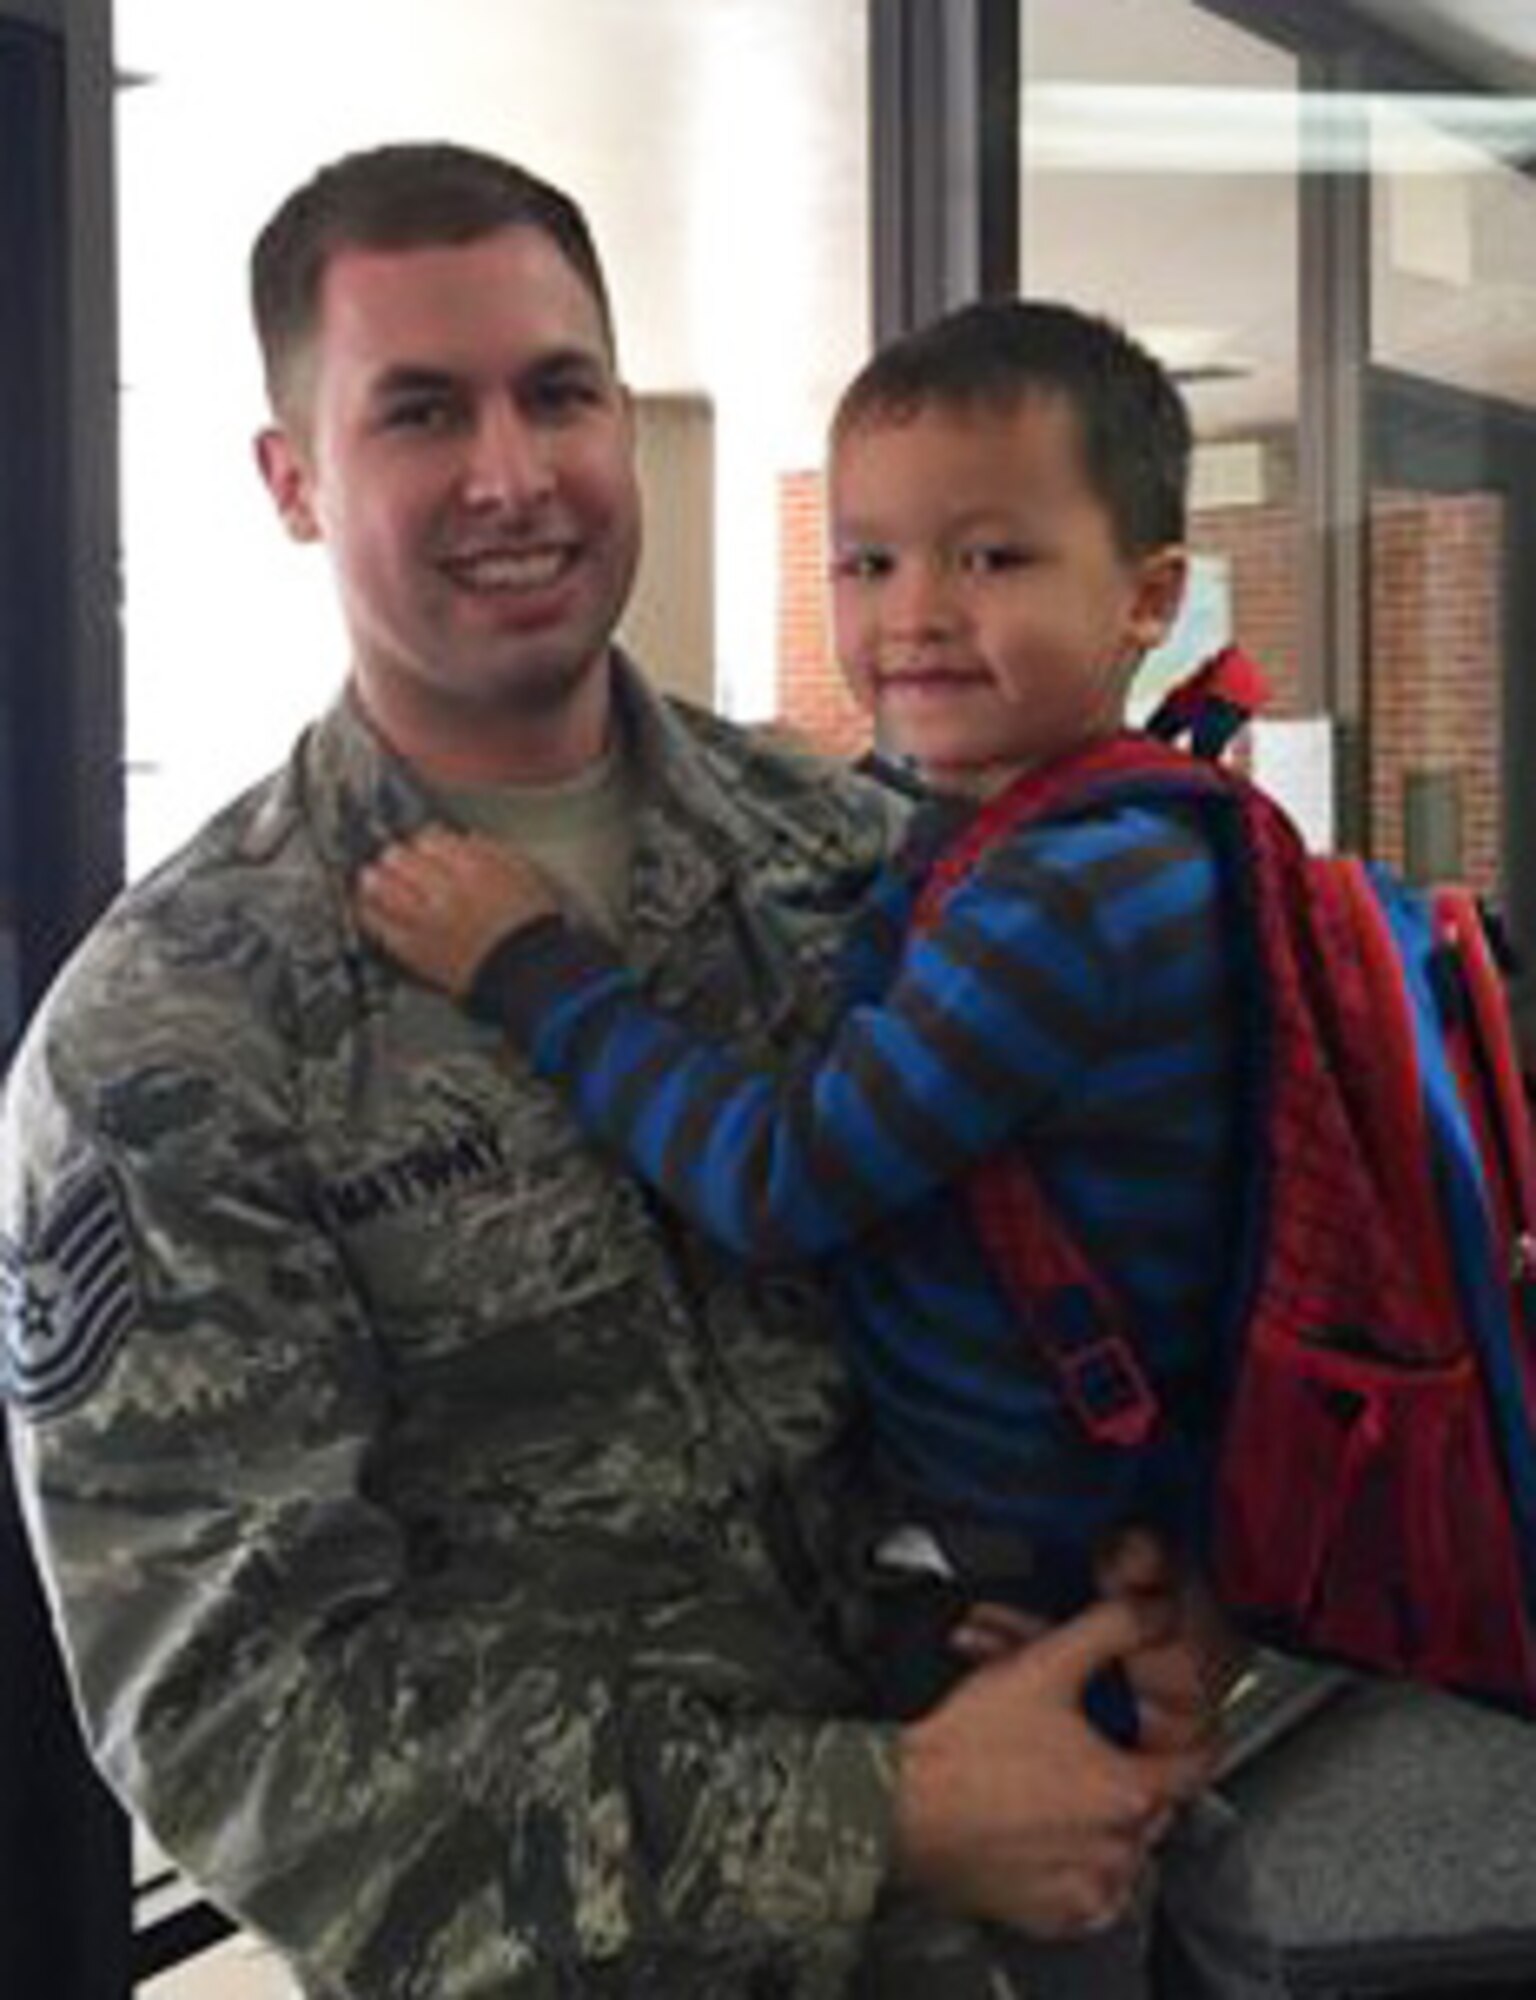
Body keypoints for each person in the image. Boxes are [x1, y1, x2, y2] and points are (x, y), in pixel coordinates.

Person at [0, 145, 1223, 1999]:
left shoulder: (876, 860)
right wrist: (875, 1813)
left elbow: (1119, 1253)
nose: (514, 473)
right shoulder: (168, 1039)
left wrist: (1175, 1572)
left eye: (559, 392)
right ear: (290, 480)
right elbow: (241, 1735)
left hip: (1034, 1936)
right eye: (420, 411)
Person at [355, 297, 1284, 1994]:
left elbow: (782, 1184)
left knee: (1074, 1896)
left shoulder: (1064, 896)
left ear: (1149, 595)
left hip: (1024, 1551)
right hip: (1078, 1529)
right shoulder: (1056, 831)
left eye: (991, 558)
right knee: (1164, 1869)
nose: (913, 616)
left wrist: (528, 966)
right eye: (867, 565)